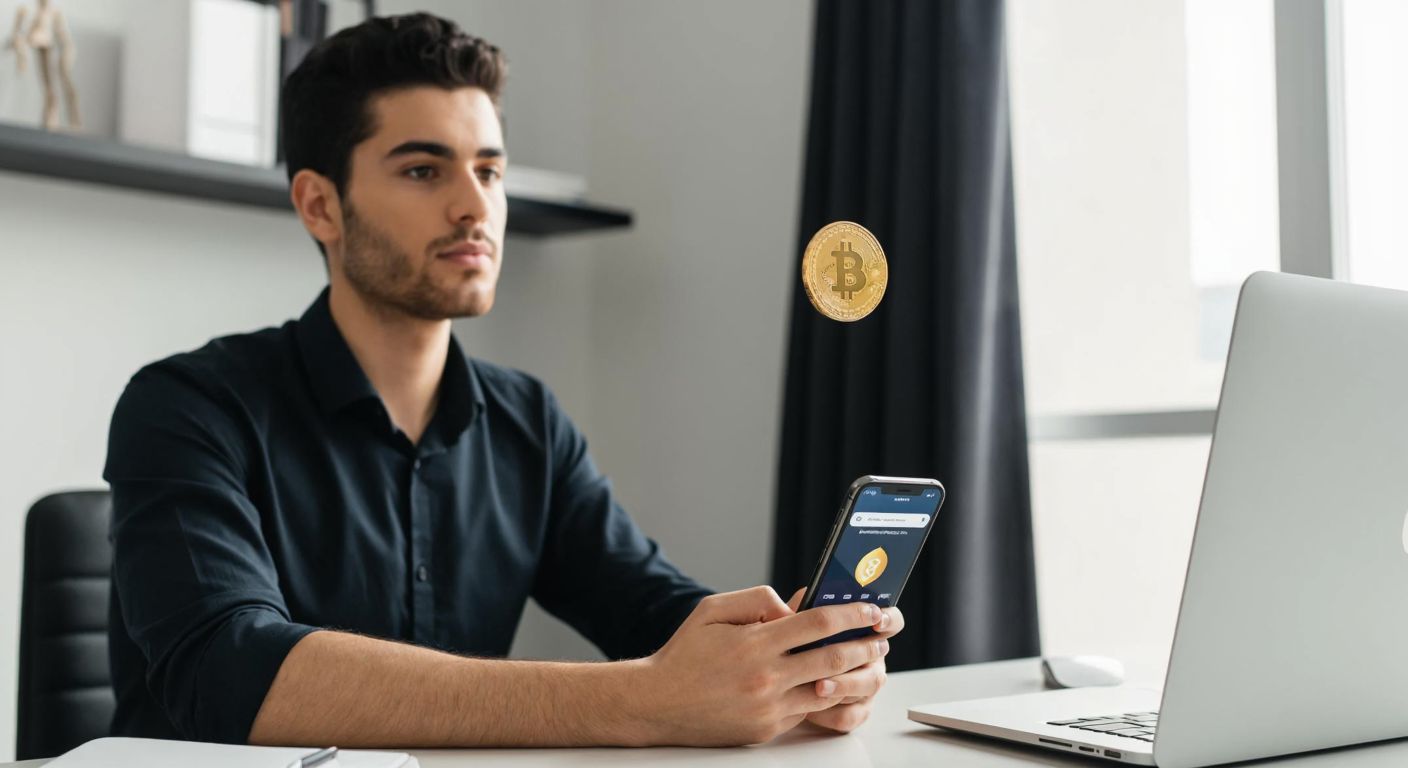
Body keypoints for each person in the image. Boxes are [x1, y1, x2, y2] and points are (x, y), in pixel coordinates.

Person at [105, 12, 902, 749]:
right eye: (424, 171)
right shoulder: (187, 406)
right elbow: (229, 671)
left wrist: (784, 663)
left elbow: (652, 609)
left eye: (489, 172)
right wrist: (641, 699)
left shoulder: (528, 420)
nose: (473, 207)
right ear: (320, 205)